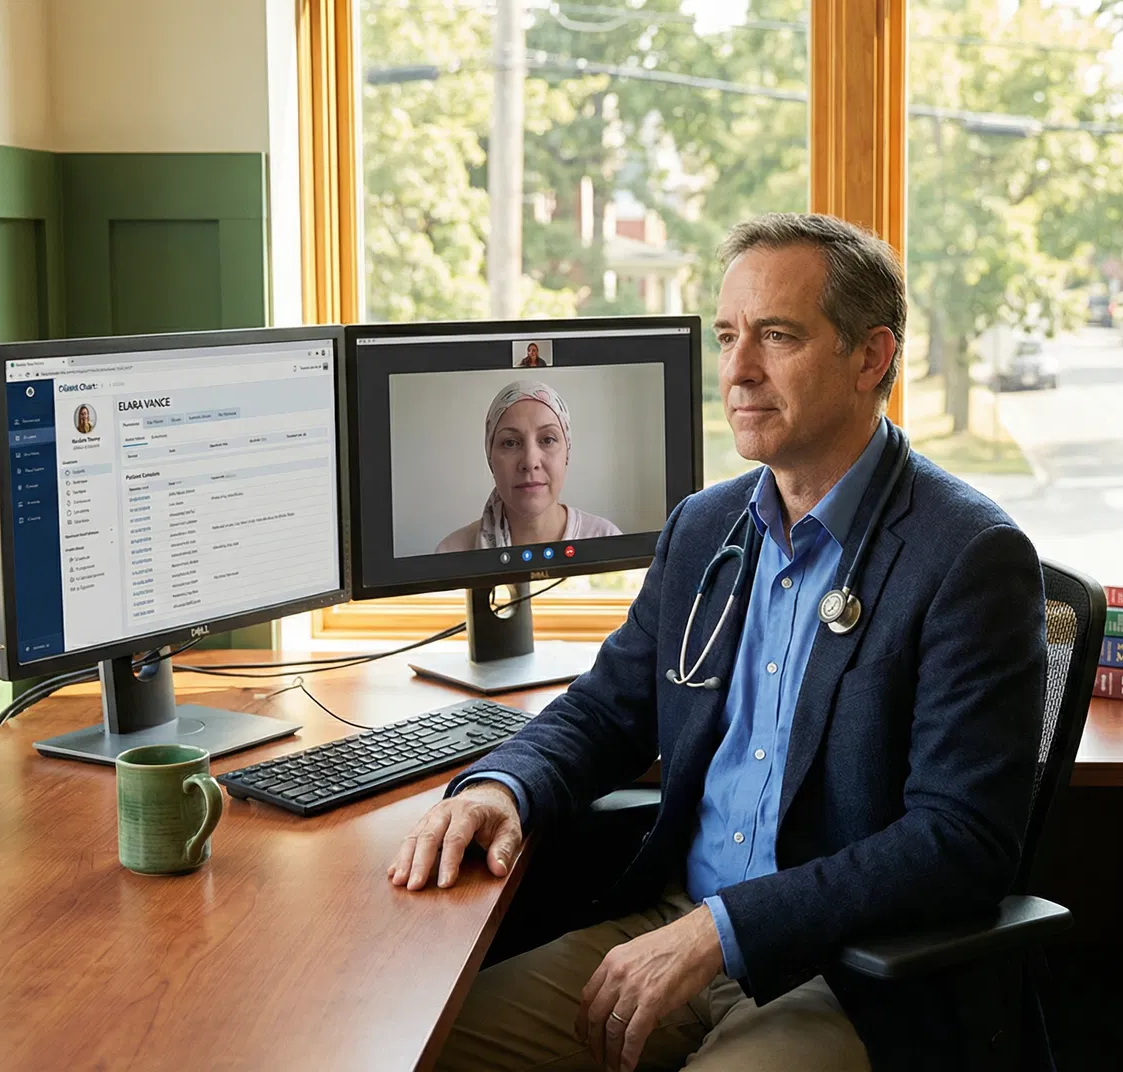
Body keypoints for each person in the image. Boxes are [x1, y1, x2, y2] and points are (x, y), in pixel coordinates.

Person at [390, 214, 1046, 1071]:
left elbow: (960, 842)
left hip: (837, 974)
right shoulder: (707, 528)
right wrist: (503, 788)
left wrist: (727, 930)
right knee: (418, 1051)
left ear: (871, 357)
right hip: (668, 926)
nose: (736, 371)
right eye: (730, 335)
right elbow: (608, 709)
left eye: (777, 337)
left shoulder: (968, 557)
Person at [435, 380, 623, 553]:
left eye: (548, 439)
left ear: (567, 454)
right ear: (490, 459)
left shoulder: (607, 541)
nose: (530, 462)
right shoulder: (451, 553)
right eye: (510, 443)